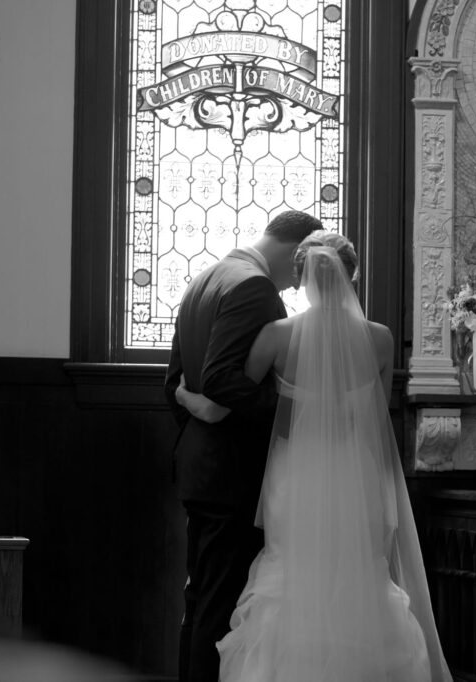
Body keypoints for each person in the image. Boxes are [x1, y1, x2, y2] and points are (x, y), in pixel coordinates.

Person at [176, 232, 452, 682]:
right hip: (355, 472)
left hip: (295, 472)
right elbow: (376, 427)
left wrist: (193, 401)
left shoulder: (276, 336)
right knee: (356, 570)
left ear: (301, 279)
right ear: (352, 276)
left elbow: (232, 402)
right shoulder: (380, 341)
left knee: (292, 570)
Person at [164, 210, 322, 682]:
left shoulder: (205, 278)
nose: (298, 285)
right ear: (296, 251)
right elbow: (221, 380)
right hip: (233, 476)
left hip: (200, 469)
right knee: (221, 607)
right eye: (302, 270)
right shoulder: (254, 288)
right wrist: (296, 411)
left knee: (199, 602)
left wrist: (200, 412)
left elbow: (174, 384)